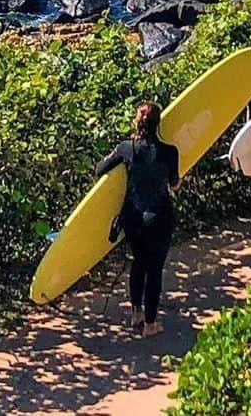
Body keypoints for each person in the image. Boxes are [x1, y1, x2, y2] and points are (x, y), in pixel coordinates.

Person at [95, 102, 180, 337]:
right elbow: (174, 183)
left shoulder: (126, 148)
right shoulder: (170, 151)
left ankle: (137, 314)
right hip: (159, 216)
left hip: (133, 217)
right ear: (158, 123)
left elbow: (100, 169)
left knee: (138, 263)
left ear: (137, 122)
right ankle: (150, 325)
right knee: (154, 270)